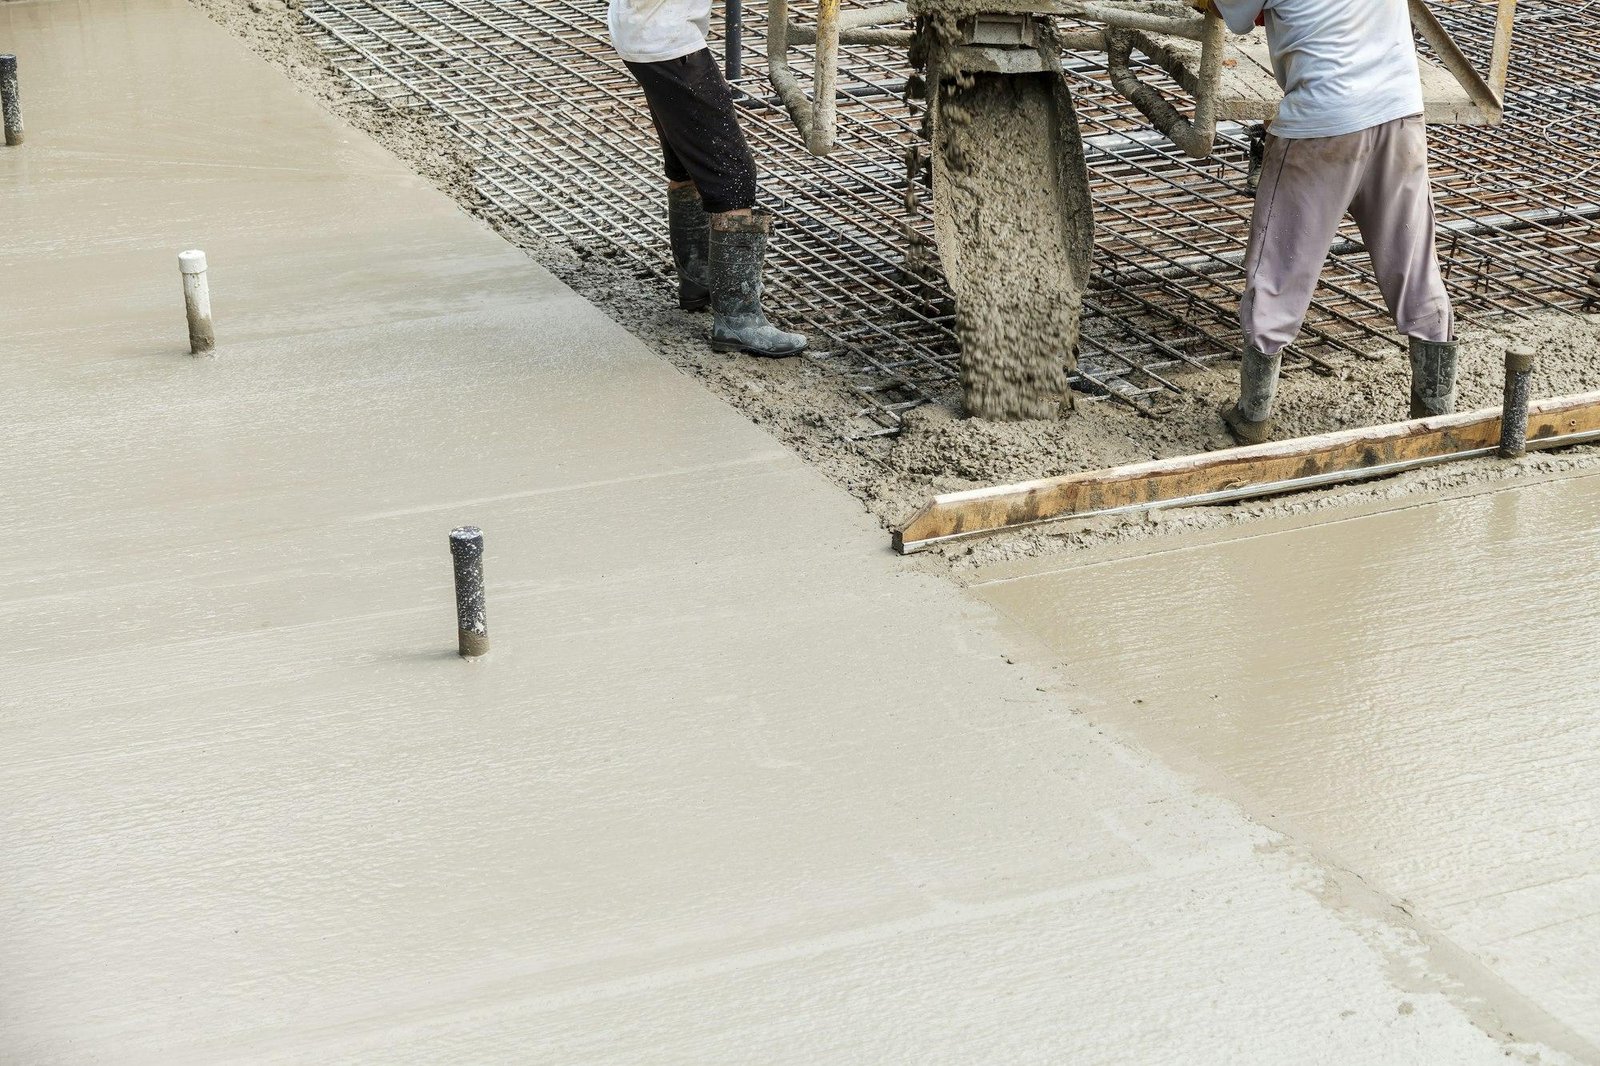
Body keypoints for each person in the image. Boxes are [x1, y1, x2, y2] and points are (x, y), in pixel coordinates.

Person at [1205, 0, 1457, 443]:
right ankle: (1435, 412)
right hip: (1400, 111)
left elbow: (1232, 16)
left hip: (1322, 122)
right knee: (1412, 259)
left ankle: (1253, 415)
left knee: (1280, 266)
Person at [607, 0, 807, 357]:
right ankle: (738, 320)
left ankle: (698, 279)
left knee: (686, 161)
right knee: (732, 178)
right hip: (667, 40)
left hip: (644, 31)